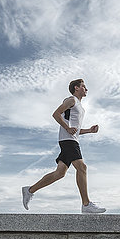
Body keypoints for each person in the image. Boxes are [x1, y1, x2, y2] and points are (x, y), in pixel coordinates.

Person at [22, 79, 106, 213]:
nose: (86, 89)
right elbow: (56, 114)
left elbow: (75, 130)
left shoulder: (81, 107)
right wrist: (67, 128)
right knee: (82, 167)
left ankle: (30, 190)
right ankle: (86, 204)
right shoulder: (71, 100)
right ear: (76, 88)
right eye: (84, 86)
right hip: (68, 140)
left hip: (71, 139)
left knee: (60, 173)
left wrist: (89, 130)